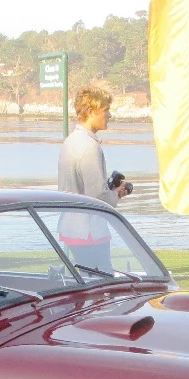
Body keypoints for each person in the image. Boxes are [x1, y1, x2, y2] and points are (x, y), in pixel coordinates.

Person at [57, 85, 131, 271]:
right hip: (88, 230)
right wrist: (117, 193)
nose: (110, 115)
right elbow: (97, 195)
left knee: (87, 277)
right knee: (103, 278)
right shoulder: (90, 146)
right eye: (106, 110)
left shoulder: (70, 141)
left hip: (72, 226)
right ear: (91, 111)